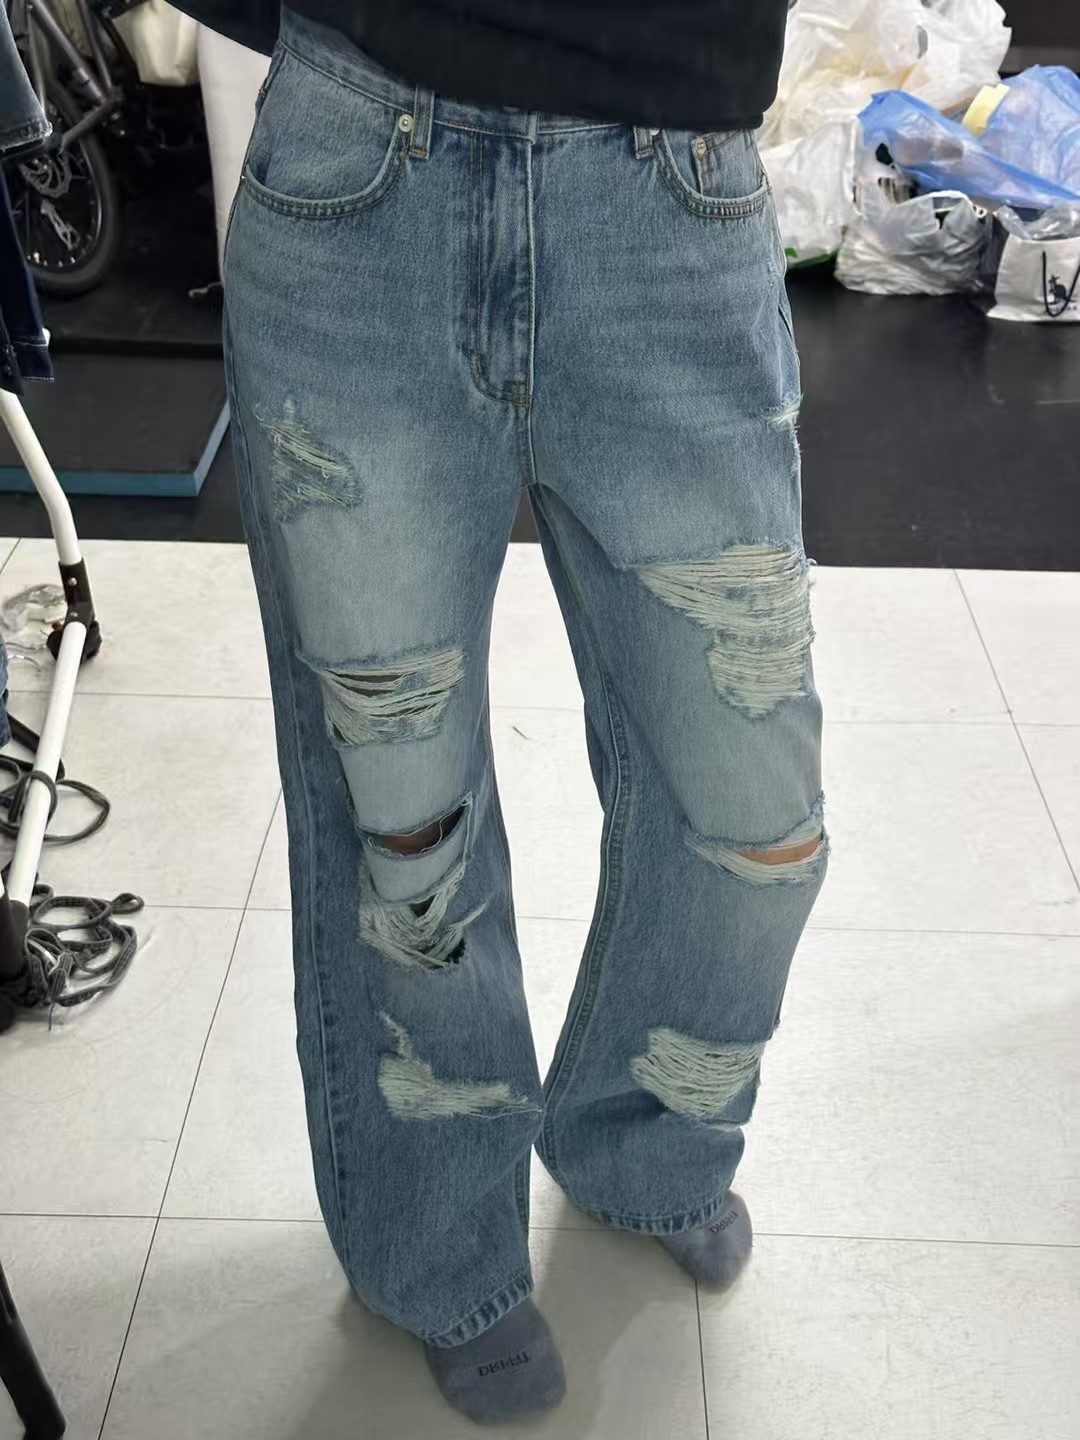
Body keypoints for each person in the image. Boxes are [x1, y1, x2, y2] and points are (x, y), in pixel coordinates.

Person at [190, 0, 827, 1422]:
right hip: (367, 178)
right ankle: (438, 1240)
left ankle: (646, 1137)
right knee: (401, 820)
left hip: (671, 196)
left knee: (756, 817)